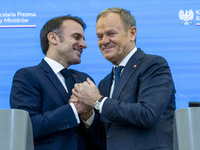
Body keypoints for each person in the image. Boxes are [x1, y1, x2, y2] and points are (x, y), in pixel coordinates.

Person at [70, 7, 176, 150]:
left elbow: (147, 115)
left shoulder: (154, 65)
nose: (104, 41)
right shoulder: (104, 83)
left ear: (132, 33)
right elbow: (106, 137)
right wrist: (87, 113)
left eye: (111, 34)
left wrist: (98, 101)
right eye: (100, 36)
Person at [10, 15, 100, 150]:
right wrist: (74, 110)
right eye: (76, 37)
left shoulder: (85, 80)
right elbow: (25, 127)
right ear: (53, 38)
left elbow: (101, 135)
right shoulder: (27, 76)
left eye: (83, 39)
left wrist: (88, 116)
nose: (84, 45)